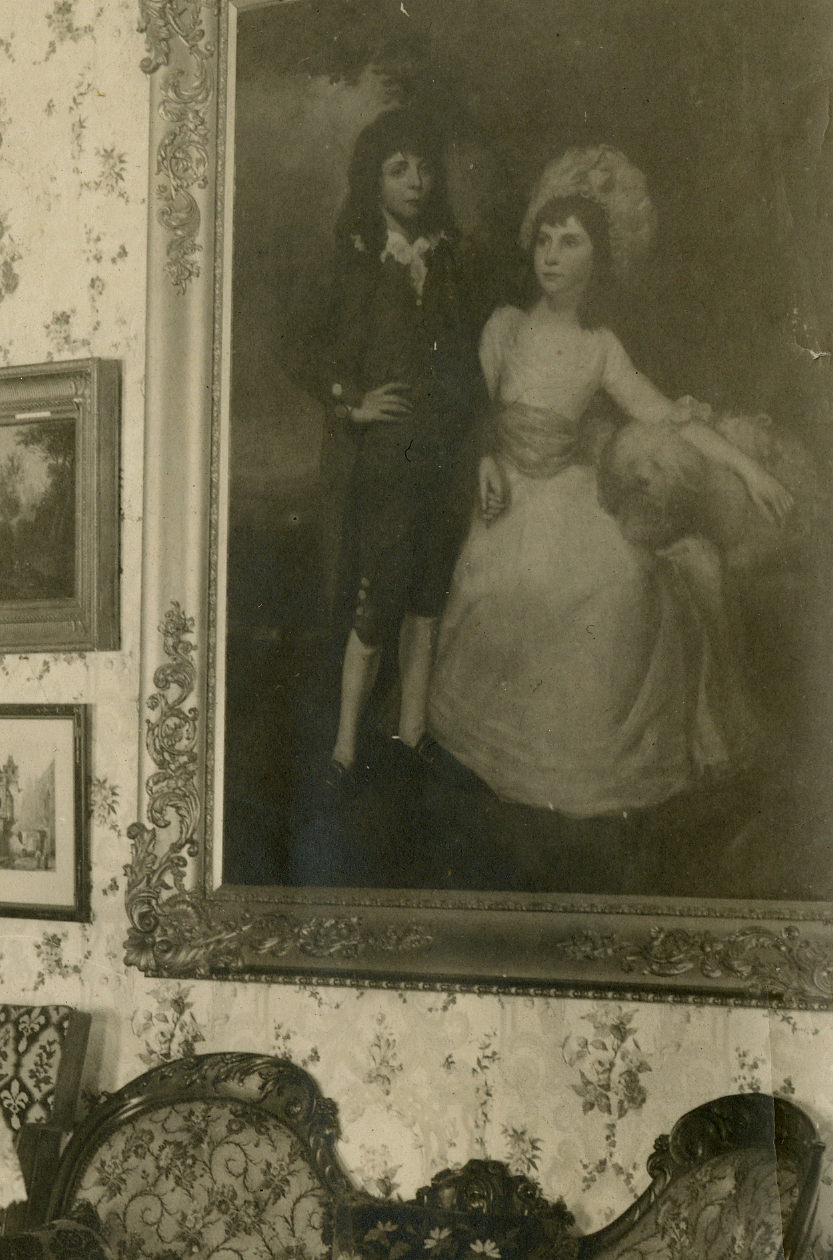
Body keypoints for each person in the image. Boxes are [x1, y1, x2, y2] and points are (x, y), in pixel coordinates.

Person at [425, 165, 792, 818]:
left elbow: (661, 413)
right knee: (503, 588)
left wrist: (752, 470)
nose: (553, 256)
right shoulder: (506, 325)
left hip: (567, 493)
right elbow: (468, 411)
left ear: (600, 258)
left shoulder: (599, 346)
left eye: (570, 243)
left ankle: (592, 761)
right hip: (503, 492)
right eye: (544, 241)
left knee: (626, 579)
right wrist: (485, 458)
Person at [316, 106, 482, 779]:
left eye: (423, 168)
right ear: (373, 182)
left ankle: (412, 733)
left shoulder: (446, 260)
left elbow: (466, 358)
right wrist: (351, 406)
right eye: (397, 169)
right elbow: (298, 347)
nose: (416, 181)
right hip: (383, 462)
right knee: (378, 594)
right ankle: (345, 747)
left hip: (441, 461)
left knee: (428, 594)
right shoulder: (354, 263)